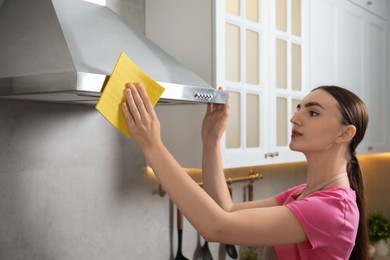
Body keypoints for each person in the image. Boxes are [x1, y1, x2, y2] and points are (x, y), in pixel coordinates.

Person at [121, 83, 369, 260]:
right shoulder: (301, 195)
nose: (295, 118)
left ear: (344, 133)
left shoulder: (332, 209)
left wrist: (152, 146)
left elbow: (216, 227)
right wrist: (211, 142)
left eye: (312, 112)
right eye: (299, 108)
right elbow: (225, 209)